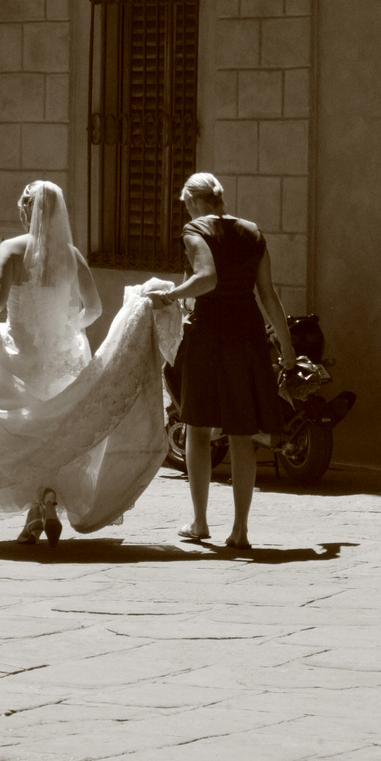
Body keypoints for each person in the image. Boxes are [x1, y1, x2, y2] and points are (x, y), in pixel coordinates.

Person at [0, 180, 175, 546]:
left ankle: (39, 504)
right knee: (58, 432)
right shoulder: (72, 255)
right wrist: (67, 331)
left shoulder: (11, 249)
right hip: (62, 359)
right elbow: (93, 309)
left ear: (26, 211)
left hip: (20, 355)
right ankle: (43, 502)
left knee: (15, 427)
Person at [143, 172, 296, 551]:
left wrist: (170, 295)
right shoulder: (253, 232)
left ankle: (199, 522)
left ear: (194, 203)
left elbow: (206, 279)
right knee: (242, 434)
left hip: (210, 336)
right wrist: (288, 349)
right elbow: (268, 295)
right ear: (220, 199)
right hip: (247, 336)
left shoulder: (194, 229)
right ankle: (240, 530)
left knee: (197, 428)